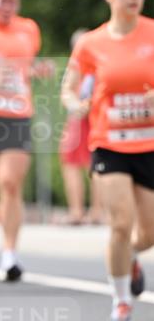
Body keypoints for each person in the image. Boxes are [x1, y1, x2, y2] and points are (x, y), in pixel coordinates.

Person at [61, 0, 154, 321]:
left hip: (148, 143)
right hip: (109, 143)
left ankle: (128, 255)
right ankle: (121, 302)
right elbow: (69, 86)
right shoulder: (90, 43)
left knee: (147, 232)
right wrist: (75, 104)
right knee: (120, 223)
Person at [0, 0, 54, 281]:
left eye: (12, 2)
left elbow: (25, 66)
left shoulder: (28, 29)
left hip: (16, 114)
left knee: (9, 183)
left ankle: (9, 255)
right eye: (1, 1)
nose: (7, 7)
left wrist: (37, 70)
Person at [58, 29, 102, 225]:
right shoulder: (101, 62)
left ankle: (78, 211)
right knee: (95, 166)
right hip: (96, 118)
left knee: (73, 163)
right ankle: (96, 211)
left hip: (82, 118)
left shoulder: (82, 66)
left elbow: (79, 94)